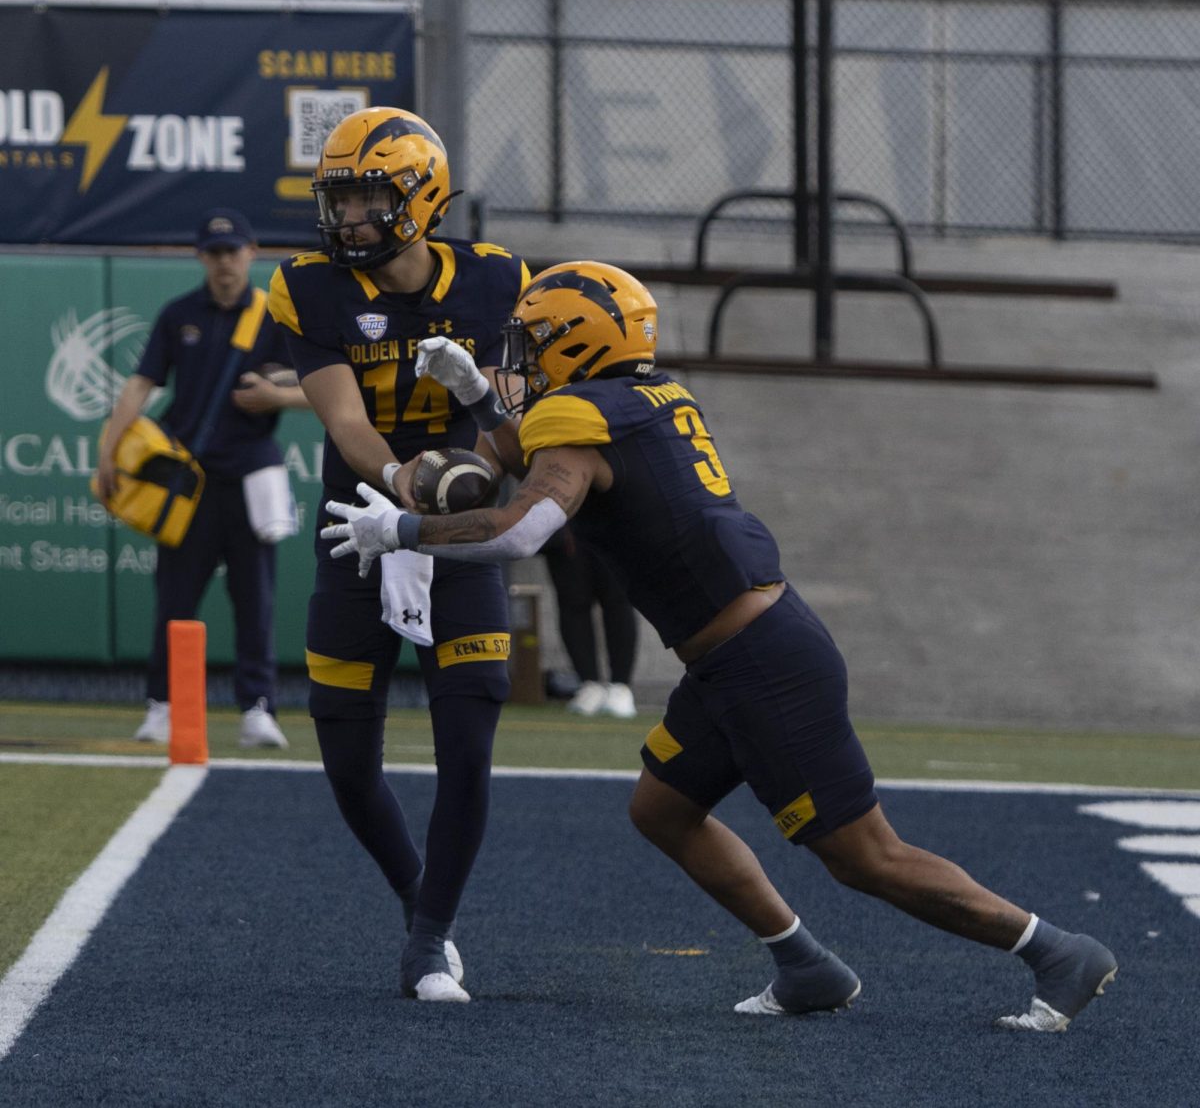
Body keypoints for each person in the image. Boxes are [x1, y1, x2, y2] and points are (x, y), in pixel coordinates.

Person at [322, 261, 1118, 1032]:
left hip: (762, 665)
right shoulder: (641, 397)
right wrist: (471, 395)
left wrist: (402, 530)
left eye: (533, 344)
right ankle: (806, 963)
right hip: (738, 654)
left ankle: (1056, 951)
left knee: (864, 855)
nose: (518, 363)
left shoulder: (581, 417)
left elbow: (522, 525)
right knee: (662, 807)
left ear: (578, 344)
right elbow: (535, 457)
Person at [266, 106, 529, 1004]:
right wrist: (407, 480)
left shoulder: (500, 282)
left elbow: (518, 438)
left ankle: (428, 939)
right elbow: (344, 422)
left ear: (421, 195)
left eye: (368, 199)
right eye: (338, 200)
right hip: (357, 522)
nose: (349, 219)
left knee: (468, 740)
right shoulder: (305, 287)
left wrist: (474, 449)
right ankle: (421, 897)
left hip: (460, 537)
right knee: (345, 755)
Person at [96, 207, 308, 750]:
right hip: (186, 481)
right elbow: (142, 384)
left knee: (255, 599)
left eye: (233, 251)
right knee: (174, 597)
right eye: (214, 253)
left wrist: (276, 396)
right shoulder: (178, 313)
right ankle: (161, 705)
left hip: (249, 479)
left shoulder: (273, 317)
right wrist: (108, 449)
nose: (224, 263)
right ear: (201, 258)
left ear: (251, 252)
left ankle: (257, 707)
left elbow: (321, 390)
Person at [541, 522, 638, 718]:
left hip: (614, 516)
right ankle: (589, 683)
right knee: (572, 602)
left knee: (618, 599)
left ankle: (620, 686)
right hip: (566, 517)